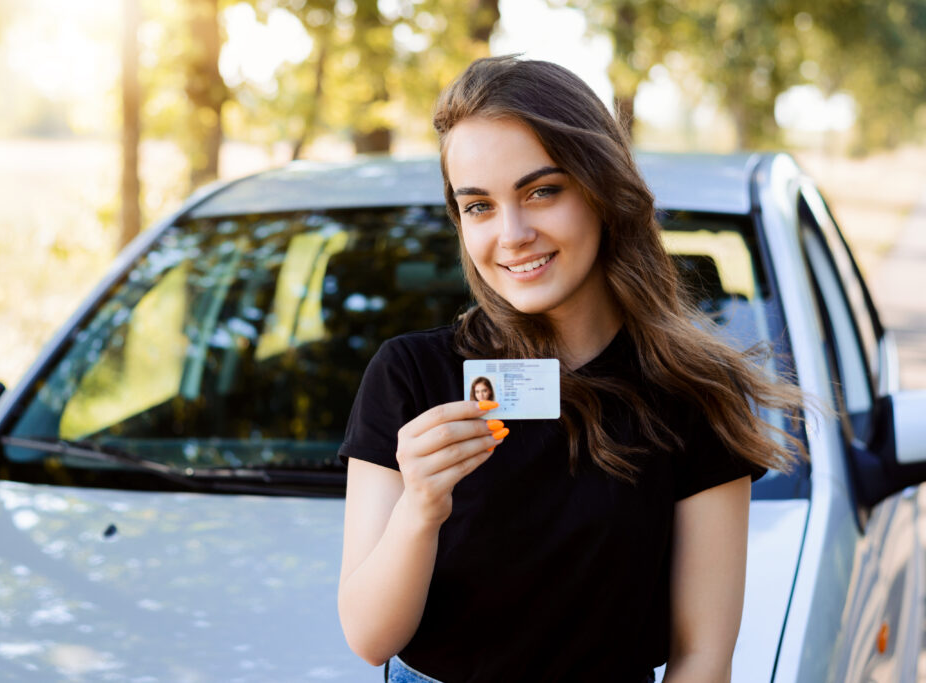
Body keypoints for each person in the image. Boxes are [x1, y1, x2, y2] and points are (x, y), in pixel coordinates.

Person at [337, 56, 805, 683]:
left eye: (542, 191)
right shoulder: (409, 376)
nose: (513, 233)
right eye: (478, 206)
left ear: (602, 190)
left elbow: (704, 655)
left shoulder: (691, 393)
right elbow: (370, 640)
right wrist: (420, 507)